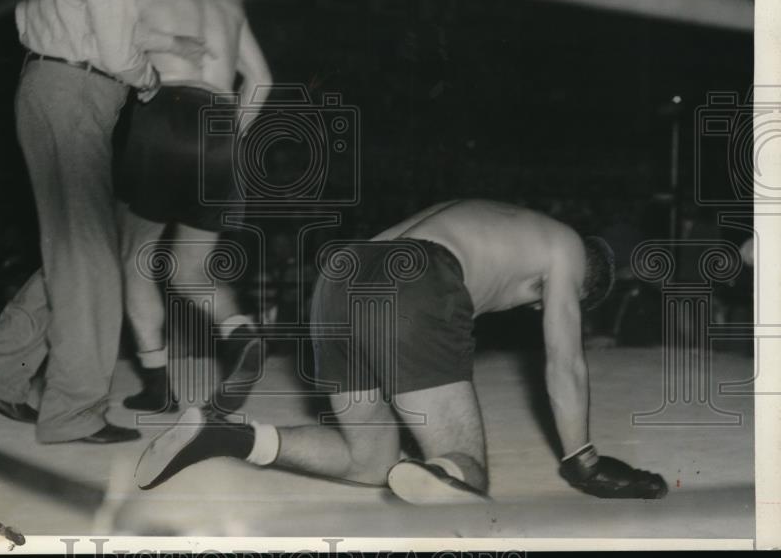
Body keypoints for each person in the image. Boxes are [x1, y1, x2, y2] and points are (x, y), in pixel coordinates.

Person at [135, 199, 668, 503]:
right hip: (415, 279)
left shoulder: (496, 219)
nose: (536, 309)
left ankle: (225, 434)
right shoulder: (567, 247)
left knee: (369, 461)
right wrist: (582, 461)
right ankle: (445, 471)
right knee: (467, 472)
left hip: (339, 278)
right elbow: (565, 362)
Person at [0, 0, 205, 444]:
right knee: (91, 260)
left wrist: (166, 43)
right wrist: (149, 78)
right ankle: (73, 412)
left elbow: (86, 22)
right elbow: (117, 50)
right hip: (77, 95)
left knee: (75, 247)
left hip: (50, 86)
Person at [116, 0, 273, 415]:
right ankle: (240, 333)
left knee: (135, 257)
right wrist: (229, 134)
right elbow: (261, 80)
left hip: (166, 109)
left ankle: (157, 385)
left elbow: (114, 39)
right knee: (191, 272)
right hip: (223, 122)